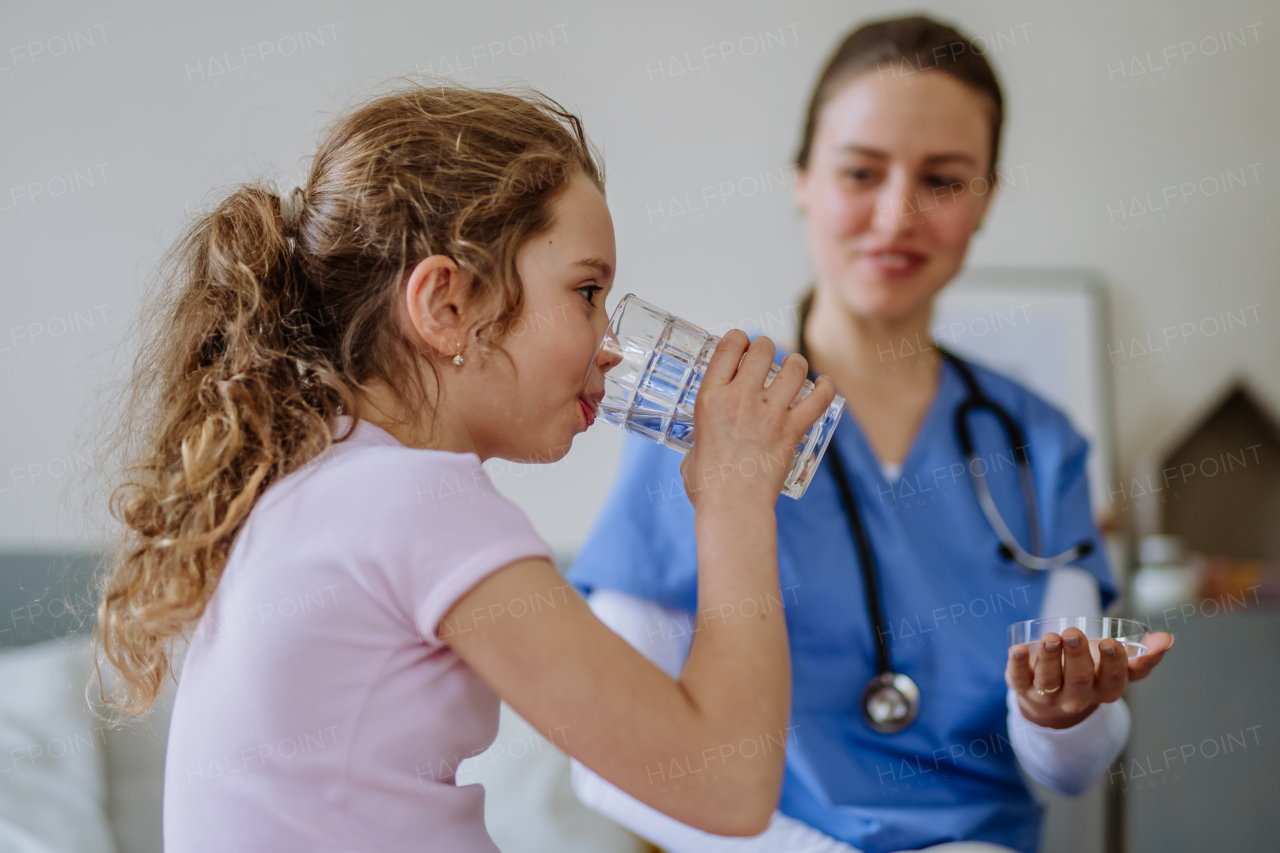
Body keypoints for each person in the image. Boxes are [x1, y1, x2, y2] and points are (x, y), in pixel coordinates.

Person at [91, 82, 836, 852]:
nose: (609, 344)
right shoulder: (413, 499)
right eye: (586, 291)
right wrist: (736, 499)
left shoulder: (321, 477)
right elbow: (727, 784)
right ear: (446, 304)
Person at [568, 16, 1173, 853]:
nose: (897, 215)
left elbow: (1069, 767)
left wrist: (1059, 714)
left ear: (988, 196)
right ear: (803, 179)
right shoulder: (700, 409)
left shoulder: (1039, 442)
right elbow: (606, 755)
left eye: (944, 179)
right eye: (860, 171)